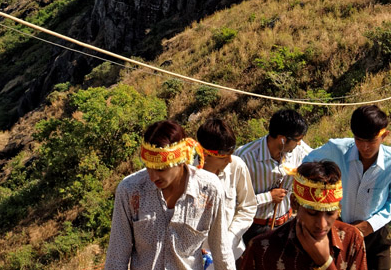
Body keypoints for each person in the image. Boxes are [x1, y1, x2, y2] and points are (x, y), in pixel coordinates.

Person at [105, 120, 235, 270]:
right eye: (149, 167)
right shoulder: (130, 190)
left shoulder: (209, 189)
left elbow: (222, 251)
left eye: (161, 169)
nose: (153, 177)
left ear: (182, 159)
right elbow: (117, 256)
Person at [302, 105, 391, 270]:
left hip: (375, 235)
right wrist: (325, 200)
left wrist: (369, 225)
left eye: (371, 141)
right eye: (359, 140)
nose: (364, 147)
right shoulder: (337, 150)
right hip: (339, 231)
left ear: (384, 135)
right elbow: (306, 164)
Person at [238, 161, 367, 270]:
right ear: (294, 203)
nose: (322, 224)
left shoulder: (352, 240)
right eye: (312, 213)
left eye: (330, 213)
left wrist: (326, 264)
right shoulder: (262, 248)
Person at [236, 108, 313, 246]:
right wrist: (268, 197)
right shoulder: (245, 157)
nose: (300, 144)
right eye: (297, 140)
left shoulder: (298, 151)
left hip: (287, 223)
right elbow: (233, 201)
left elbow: (318, 159)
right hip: (254, 228)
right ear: (282, 139)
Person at [197, 118, 258, 260]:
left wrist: (230, 238)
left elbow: (248, 206)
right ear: (205, 154)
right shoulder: (187, 175)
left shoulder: (237, 166)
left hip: (233, 254)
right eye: (225, 156)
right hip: (197, 259)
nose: (230, 160)